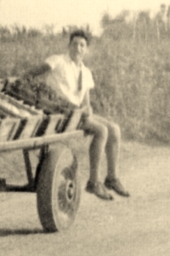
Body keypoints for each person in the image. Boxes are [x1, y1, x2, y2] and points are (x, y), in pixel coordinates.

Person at [24, 29, 129, 201]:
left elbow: (85, 102)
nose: (78, 48)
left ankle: (112, 178)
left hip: (77, 113)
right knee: (101, 130)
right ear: (69, 45)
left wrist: (88, 110)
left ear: (86, 50)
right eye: (74, 44)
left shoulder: (86, 72)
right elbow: (33, 72)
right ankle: (94, 182)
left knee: (115, 129)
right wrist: (26, 85)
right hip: (59, 112)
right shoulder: (57, 61)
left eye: (82, 45)